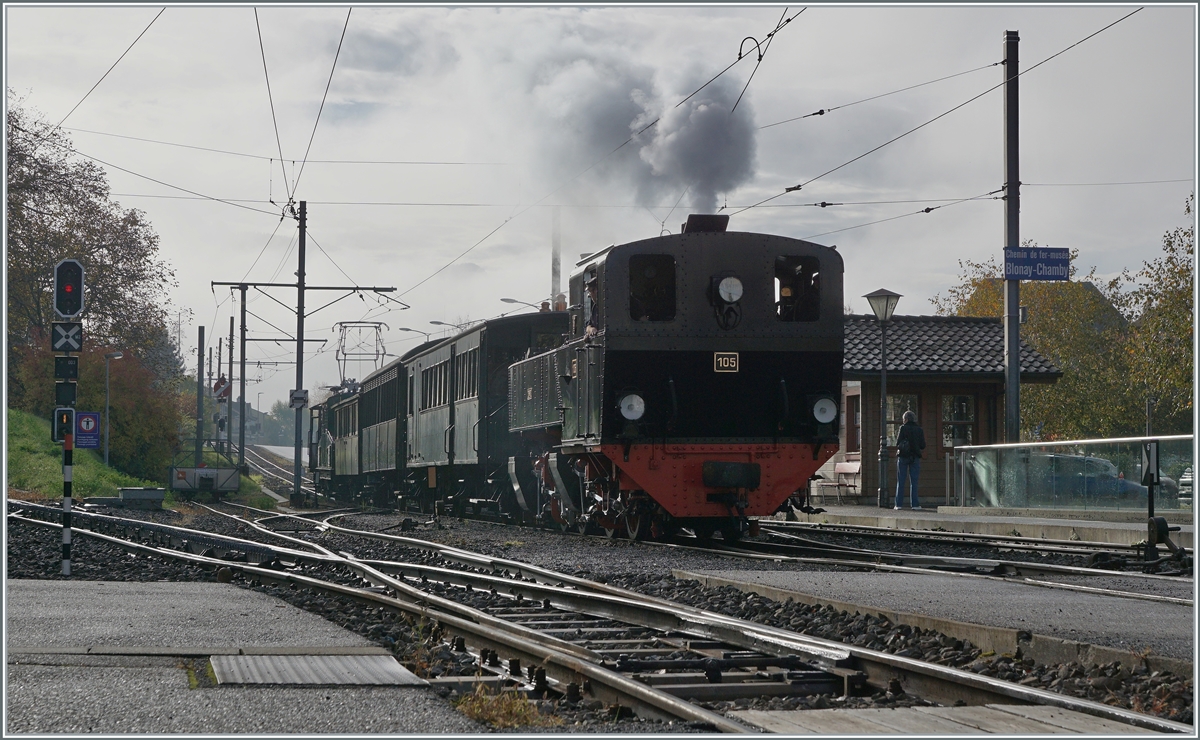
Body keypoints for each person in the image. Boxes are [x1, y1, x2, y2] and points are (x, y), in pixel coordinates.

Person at [894, 409, 926, 510]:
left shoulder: (903, 428)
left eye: (903, 419)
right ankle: (915, 504)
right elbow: (923, 445)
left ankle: (898, 504)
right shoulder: (919, 430)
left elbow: (898, 443)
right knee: (914, 482)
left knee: (901, 481)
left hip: (903, 456)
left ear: (906, 419)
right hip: (915, 457)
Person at [584, 273, 600, 338]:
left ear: (596, 290)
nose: (590, 295)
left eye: (590, 292)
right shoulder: (595, 307)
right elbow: (588, 325)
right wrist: (590, 330)